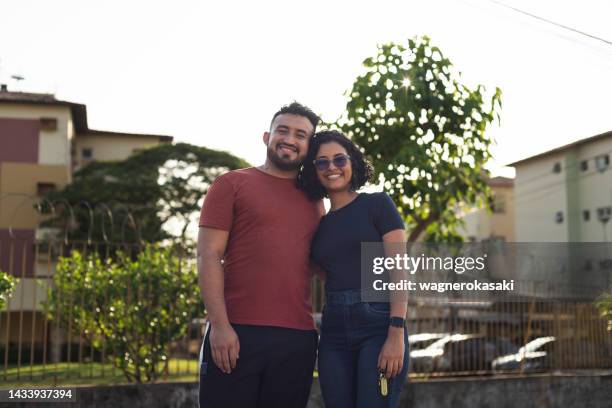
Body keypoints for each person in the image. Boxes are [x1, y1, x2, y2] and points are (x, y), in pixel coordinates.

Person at [197, 102, 324, 408]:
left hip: (298, 339)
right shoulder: (231, 184)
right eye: (283, 130)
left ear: (309, 146)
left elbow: (324, 264)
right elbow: (208, 255)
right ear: (267, 136)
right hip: (237, 333)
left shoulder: (315, 199)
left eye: (300, 135)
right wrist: (221, 326)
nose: (290, 139)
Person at [298, 129, 409, 408]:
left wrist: (396, 333)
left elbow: (398, 270)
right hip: (333, 329)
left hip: (379, 324)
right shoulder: (318, 225)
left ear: (352, 162)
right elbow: (324, 271)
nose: (331, 167)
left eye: (339, 159)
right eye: (321, 162)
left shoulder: (377, 205)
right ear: (314, 171)